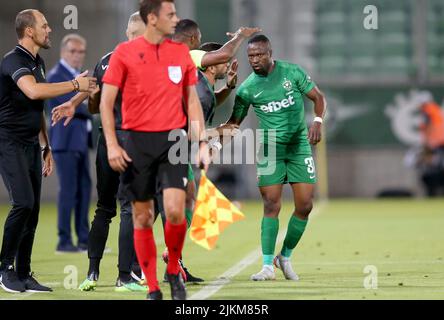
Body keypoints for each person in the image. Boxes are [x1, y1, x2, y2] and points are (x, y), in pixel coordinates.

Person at [100, 0, 209, 300]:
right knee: (143, 217)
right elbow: (106, 104)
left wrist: (201, 143)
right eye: (170, 14)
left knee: (175, 212)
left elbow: (192, 102)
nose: (176, 19)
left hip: (173, 141)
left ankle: (173, 269)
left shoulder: (179, 53)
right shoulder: (124, 53)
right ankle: (152, 288)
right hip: (137, 144)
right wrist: (112, 144)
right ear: (152, 19)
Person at [155, 20, 259, 283]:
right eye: (221, 62)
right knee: (164, 205)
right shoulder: (190, 56)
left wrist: (230, 88)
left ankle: (173, 259)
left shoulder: (203, 86)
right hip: (166, 143)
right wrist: (240, 35)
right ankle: (149, 264)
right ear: (208, 61)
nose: (227, 63)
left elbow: (204, 107)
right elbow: (224, 53)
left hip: (179, 146)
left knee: (186, 198)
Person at [50, 13, 148, 292]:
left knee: (104, 208)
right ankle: (125, 276)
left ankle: (92, 274)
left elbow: (92, 85)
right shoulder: (144, 58)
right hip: (131, 142)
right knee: (130, 208)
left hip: (107, 142)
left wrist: (71, 103)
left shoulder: (108, 58)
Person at [0, 9, 95, 293]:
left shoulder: (37, 61)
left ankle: (24, 272)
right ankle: (4, 269)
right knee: (23, 203)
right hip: (8, 141)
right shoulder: (13, 60)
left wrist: (46, 145)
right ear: (29, 31)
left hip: (31, 143)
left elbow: (37, 107)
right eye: (44, 25)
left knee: (34, 211)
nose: (49, 29)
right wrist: (75, 84)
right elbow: (33, 92)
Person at [225, 35, 327, 281]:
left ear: (270, 53)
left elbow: (318, 98)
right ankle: (268, 266)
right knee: (271, 205)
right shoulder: (247, 88)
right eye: (250, 56)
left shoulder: (291, 72)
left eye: (259, 54)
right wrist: (213, 142)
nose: (254, 60)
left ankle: (286, 255)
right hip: (270, 150)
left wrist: (317, 121)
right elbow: (233, 123)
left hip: (298, 146)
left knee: (305, 205)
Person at [47, 34, 92, 253]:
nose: (77, 56)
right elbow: (63, 106)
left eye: (81, 51)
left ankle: (83, 239)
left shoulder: (76, 76)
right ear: (63, 52)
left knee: (84, 189)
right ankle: (64, 240)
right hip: (65, 143)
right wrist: (91, 101)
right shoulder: (57, 75)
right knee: (68, 191)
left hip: (80, 142)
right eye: (73, 51)